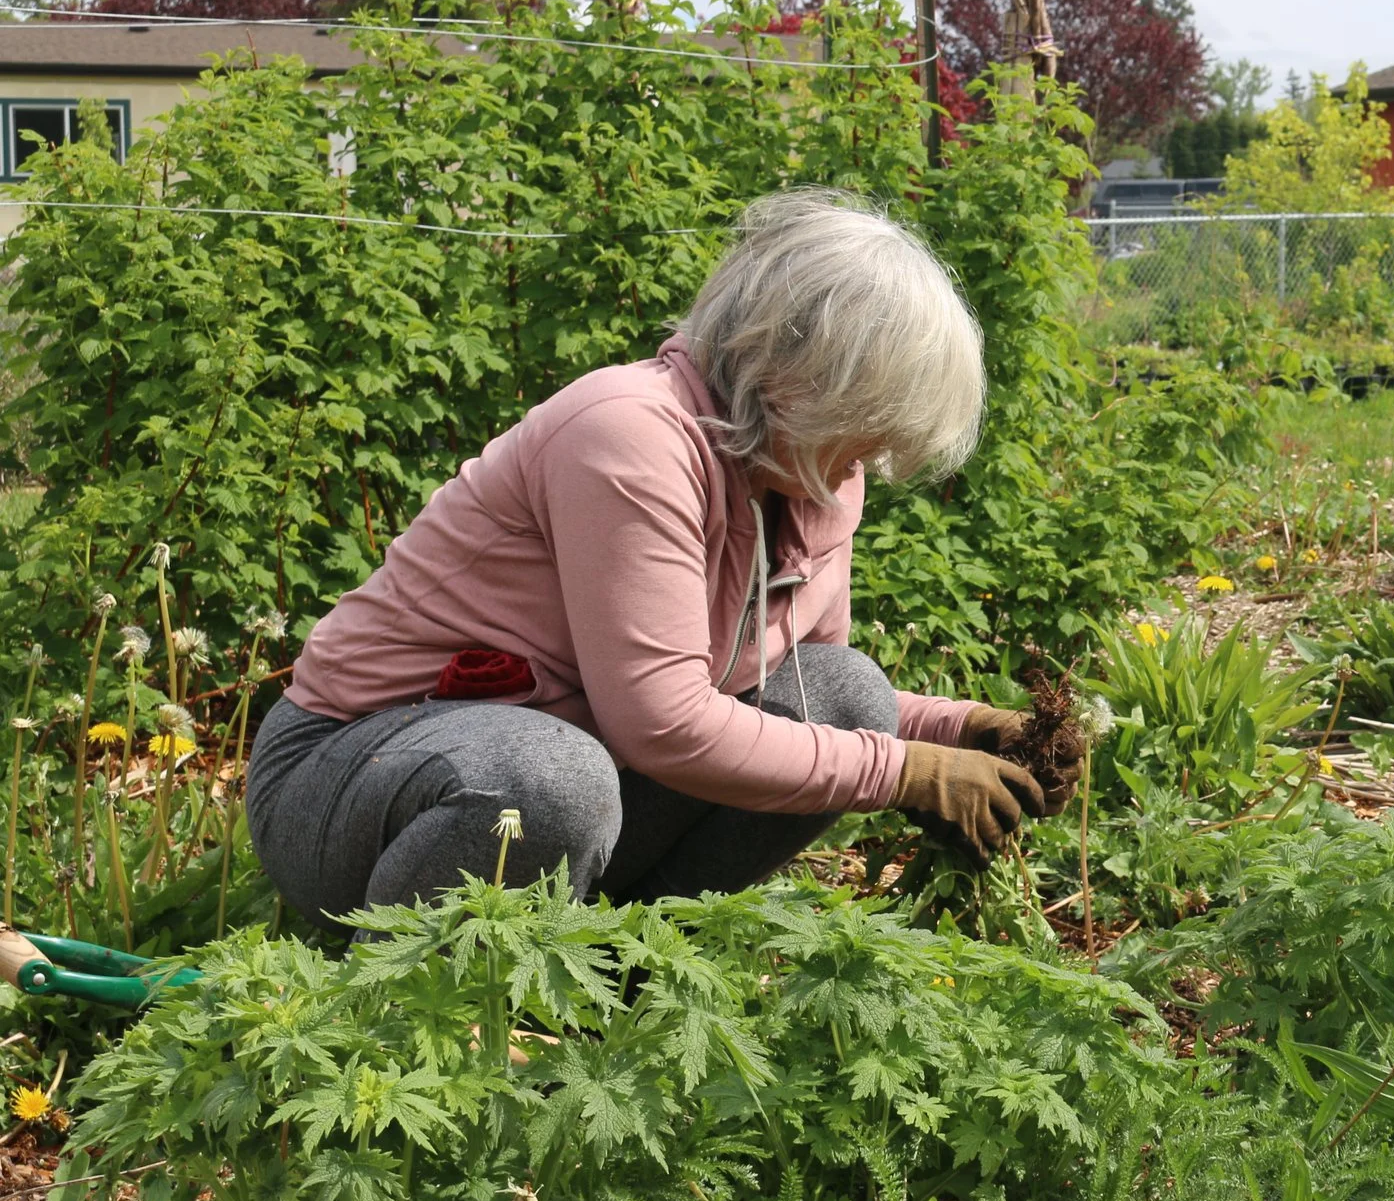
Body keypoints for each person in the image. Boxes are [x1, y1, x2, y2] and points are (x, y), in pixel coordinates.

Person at [246, 190, 1082, 923]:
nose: (872, 459)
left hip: (576, 765)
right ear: (797, 378)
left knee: (848, 695)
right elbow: (664, 720)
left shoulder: (813, 475)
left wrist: (962, 731)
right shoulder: (630, 437)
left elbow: (795, 690)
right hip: (352, 770)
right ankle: (415, 1008)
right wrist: (909, 772)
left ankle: (619, 985)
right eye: (867, 423)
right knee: (553, 781)